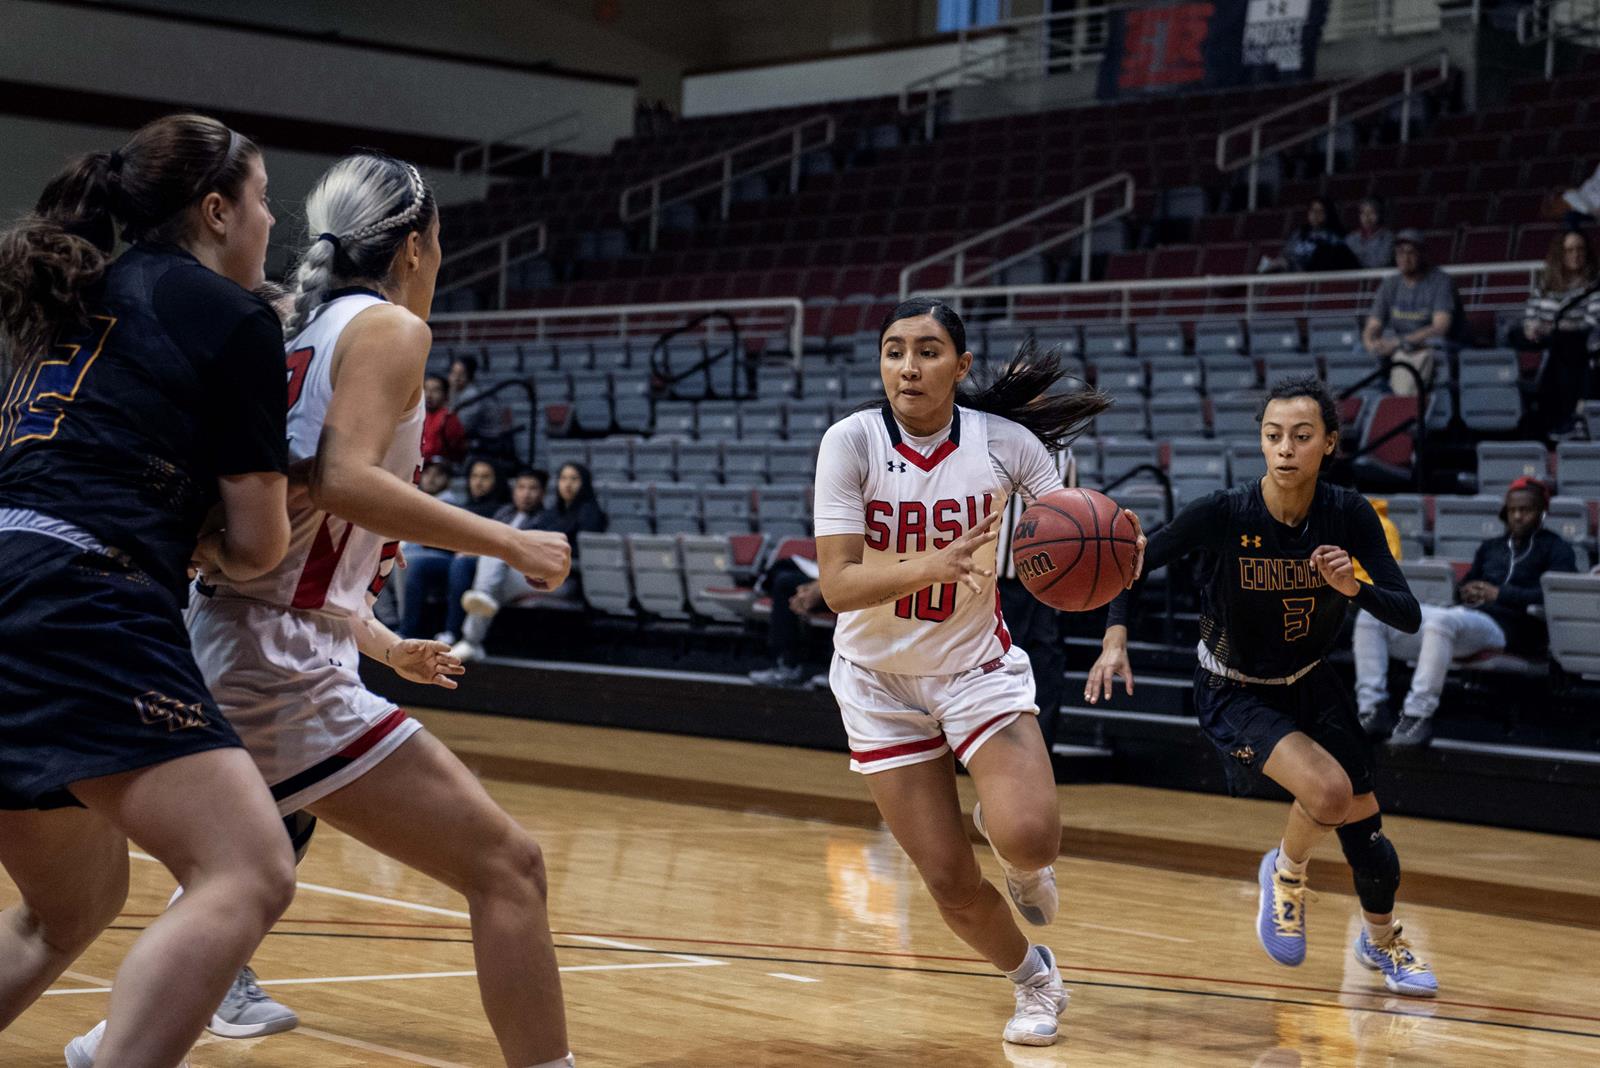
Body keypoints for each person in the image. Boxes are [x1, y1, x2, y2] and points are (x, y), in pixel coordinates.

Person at [125, 152, 575, 1068]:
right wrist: (512, 540)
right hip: (271, 658)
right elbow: (343, 483)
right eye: (440, 240)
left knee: (243, 876)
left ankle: (116, 1044)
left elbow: (294, 521)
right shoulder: (390, 330)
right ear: (416, 247)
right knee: (508, 867)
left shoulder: (292, 323)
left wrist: (369, 634)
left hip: (244, 630)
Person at [0, 113, 297, 1068]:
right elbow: (258, 545)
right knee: (248, 868)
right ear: (216, 210)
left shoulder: (78, 290)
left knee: (69, 909)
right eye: (262, 201)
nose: (272, 220)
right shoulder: (231, 313)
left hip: (14, 571)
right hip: (78, 595)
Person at [813, 298, 1144, 1047]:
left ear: (960, 368)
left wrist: (1114, 552)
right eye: (894, 350)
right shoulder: (852, 441)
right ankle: (1035, 979)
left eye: (928, 351)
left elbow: (1079, 534)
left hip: (972, 666)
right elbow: (837, 585)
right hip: (875, 682)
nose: (908, 366)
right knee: (950, 885)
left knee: (1030, 837)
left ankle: (1019, 858)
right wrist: (935, 561)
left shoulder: (1007, 444)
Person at [1087, 376, 1439, 999]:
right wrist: (1115, 636)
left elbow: (1408, 614)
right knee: (1329, 794)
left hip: (1310, 681)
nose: (1285, 449)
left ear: (1328, 443)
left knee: (1371, 839)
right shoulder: (1223, 513)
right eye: (1273, 435)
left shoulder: (1349, 514)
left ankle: (1382, 943)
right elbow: (1133, 564)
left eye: (1301, 437)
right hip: (1234, 687)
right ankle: (1286, 875)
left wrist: (1353, 587)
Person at [1355, 477, 1578, 748]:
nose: (1518, 516)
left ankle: (1417, 714)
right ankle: (1372, 708)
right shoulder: (1491, 547)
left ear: (1542, 512)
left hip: (1509, 627)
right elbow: (1464, 585)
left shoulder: (1557, 549)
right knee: (1372, 616)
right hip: (1467, 619)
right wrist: (1466, 590)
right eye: (1512, 510)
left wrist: (1500, 594)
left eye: (1526, 510)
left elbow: (1557, 597)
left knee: (1441, 621)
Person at [450, 467, 549, 661]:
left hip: (528, 576)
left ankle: (471, 640)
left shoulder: (546, 519)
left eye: (533, 488)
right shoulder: (504, 513)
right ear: (514, 490)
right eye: (521, 487)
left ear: (543, 493)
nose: (526, 494)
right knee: (463, 563)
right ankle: (456, 633)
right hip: (495, 572)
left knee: (497, 556)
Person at [401, 458, 505, 642]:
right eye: (474, 476)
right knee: (416, 564)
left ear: (497, 480)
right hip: (454, 555)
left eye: (485, 477)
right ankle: (407, 630)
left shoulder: (502, 510)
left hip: (482, 561)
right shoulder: (464, 505)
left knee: (460, 563)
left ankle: (452, 631)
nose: (478, 482)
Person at [1360, 229, 1467, 397]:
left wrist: (1399, 343)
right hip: (1400, 345)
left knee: (1423, 351)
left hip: (1437, 345)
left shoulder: (1440, 281)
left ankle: (1407, 405)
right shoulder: (1390, 284)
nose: (1404, 258)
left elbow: (1440, 327)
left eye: (1410, 252)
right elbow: (1373, 324)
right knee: (1358, 351)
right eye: (1400, 252)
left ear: (1422, 254)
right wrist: (1370, 343)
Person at [1522, 229, 1600, 437]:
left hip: (1580, 347)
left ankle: (1573, 420)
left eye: (1580, 249)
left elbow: (1592, 322)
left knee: (1566, 347)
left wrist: (1555, 328)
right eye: (1569, 250)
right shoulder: (1545, 286)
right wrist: (1531, 328)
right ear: (1560, 254)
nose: (1575, 255)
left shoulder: (1594, 285)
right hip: (1546, 345)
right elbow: (1531, 314)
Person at [746, 552, 831, 687]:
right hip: (830, 576)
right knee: (784, 582)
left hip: (857, 579)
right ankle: (787, 664)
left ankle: (837, 671)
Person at [1261, 197, 1357, 274]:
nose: (1315, 215)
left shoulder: (1334, 237)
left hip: (1310, 276)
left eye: (1320, 211)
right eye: (1312, 211)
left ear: (1328, 214)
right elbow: (1286, 254)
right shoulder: (1299, 233)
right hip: (1288, 273)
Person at [448, 353, 512, 455]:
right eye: (453, 373)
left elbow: (458, 428)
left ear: (469, 375)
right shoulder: (462, 393)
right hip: (480, 440)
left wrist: (451, 390)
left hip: (489, 443)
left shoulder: (471, 395)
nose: (455, 378)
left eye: (460, 374)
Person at [421, 372, 467, 463]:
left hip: (441, 467)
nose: (429, 395)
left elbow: (458, 451)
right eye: (426, 389)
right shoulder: (417, 416)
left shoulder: (449, 419)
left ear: (445, 395)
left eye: (435, 390)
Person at [1345, 197, 1396, 271]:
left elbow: (1382, 262)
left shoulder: (1388, 238)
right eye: (1363, 213)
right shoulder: (1350, 238)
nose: (1367, 217)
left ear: (1380, 214)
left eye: (1372, 212)